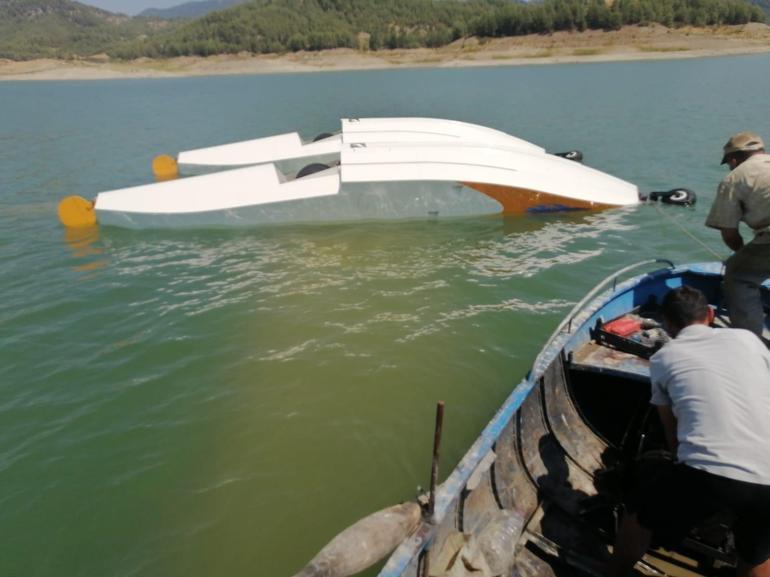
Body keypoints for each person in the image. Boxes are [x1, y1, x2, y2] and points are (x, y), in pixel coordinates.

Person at [608, 286, 770, 577]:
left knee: (639, 515)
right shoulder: (749, 340)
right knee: (756, 552)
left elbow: (673, 432)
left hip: (710, 473)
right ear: (710, 314)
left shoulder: (663, 358)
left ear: (667, 326)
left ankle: (615, 572)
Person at [705, 131, 770, 337]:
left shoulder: (735, 178)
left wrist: (740, 253)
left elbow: (730, 233)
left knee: (738, 276)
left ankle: (749, 343)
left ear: (733, 159)